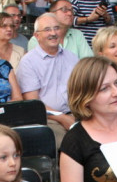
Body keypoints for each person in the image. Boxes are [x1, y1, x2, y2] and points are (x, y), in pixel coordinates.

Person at [16, 13, 78, 145]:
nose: (53, 33)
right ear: (37, 36)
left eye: (56, 28)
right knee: (69, 143)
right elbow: (34, 103)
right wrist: (62, 118)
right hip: (48, 119)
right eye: (47, 29)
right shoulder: (28, 62)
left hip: (76, 114)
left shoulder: (72, 58)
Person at [26, 0, 93, 58]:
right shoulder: (38, 39)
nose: (70, 13)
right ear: (52, 14)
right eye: (64, 10)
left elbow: (88, 62)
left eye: (72, 11)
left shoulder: (77, 34)